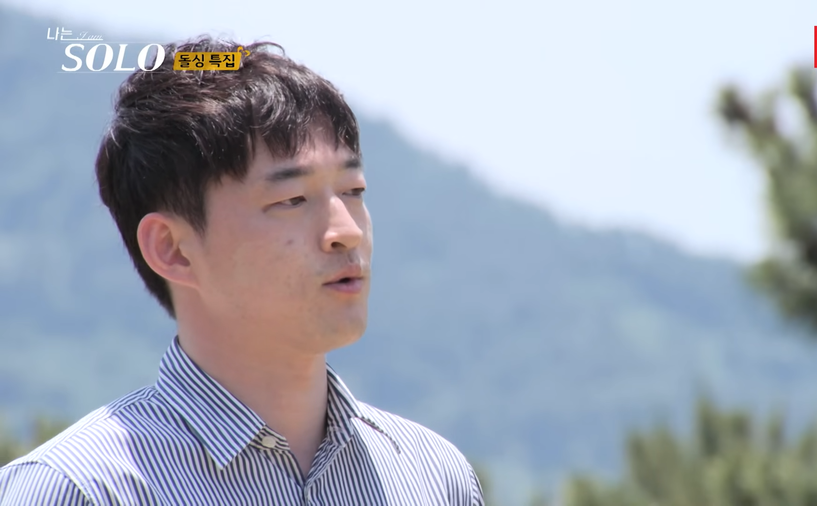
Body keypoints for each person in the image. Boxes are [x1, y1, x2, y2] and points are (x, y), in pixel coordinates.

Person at [0, 38, 484, 505]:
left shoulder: (434, 477)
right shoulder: (77, 489)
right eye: (292, 199)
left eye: (353, 191)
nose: (346, 231)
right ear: (173, 249)